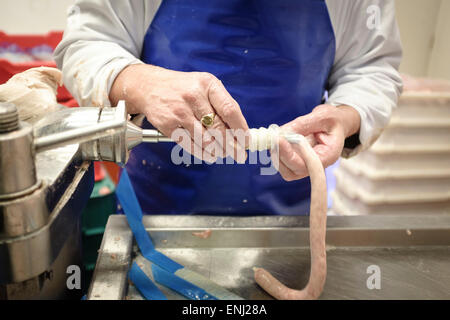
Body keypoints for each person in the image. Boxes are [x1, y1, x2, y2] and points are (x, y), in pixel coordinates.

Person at [54, 0, 402, 215]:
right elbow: (86, 42)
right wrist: (142, 83)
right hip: (155, 217)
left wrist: (347, 114)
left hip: (290, 221)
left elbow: (372, 67)